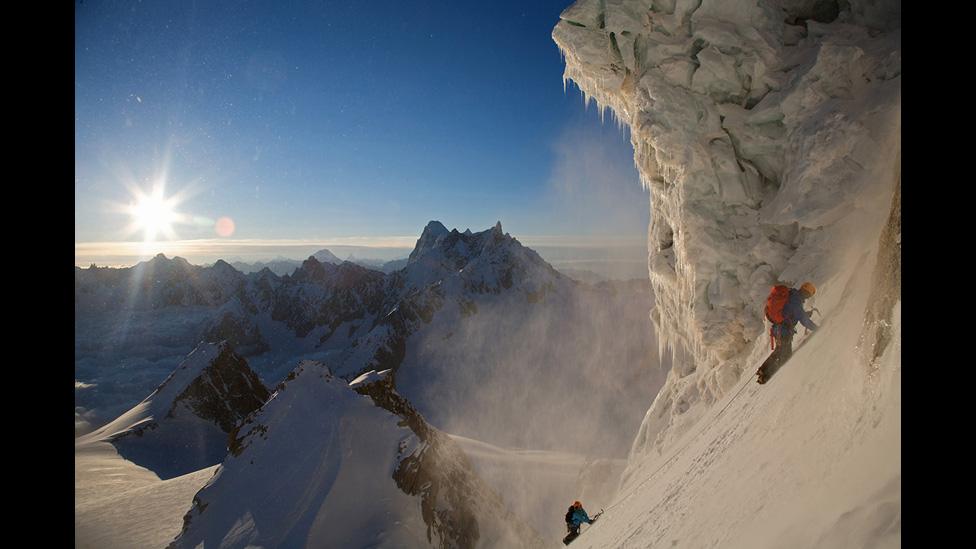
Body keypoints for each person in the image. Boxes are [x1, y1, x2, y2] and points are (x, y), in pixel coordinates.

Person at [757, 281, 818, 384]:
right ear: (807, 294)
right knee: (785, 355)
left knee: (779, 351)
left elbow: (791, 314)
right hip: (784, 331)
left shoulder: (791, 295)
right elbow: (802, 318)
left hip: (778, 330)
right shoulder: (796, 301)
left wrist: (806, 314)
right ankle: (765, 376)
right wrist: (816, 328)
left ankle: (763, 370)